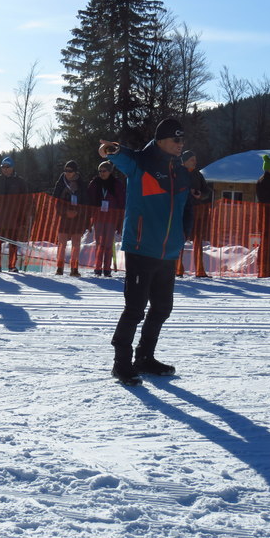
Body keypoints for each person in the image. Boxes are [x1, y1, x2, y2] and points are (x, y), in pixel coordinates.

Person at [99, 118, 193, 386]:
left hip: (168, 252)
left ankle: (144, 357)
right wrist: (111, 149)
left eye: (182, 139)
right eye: (176, 139)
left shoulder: (180, 171)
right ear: (161, 140)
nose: (180, 144)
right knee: (135, 309)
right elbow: (119, 155)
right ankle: (121, 363)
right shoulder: (141, 162)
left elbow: (187, 208)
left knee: (162, 307)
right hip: (141, 248)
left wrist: (183, 234)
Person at [0, 156, 30, 273]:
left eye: (7, 167)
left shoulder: (19, 181)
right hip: (0, 216)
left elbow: (25, 201)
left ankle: (12, 265)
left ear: (12, 167)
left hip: (14, 216)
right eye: (3, 167)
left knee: (13, 242)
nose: (5, 169)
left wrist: (23, 216)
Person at [175, 151, 212, 278]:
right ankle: (177, 269)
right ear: (184, 161)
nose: (195, 162)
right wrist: (186, 191)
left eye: (195, 159)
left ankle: (200, 270)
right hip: (182, 211)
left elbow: (207, 191)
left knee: (198, 240)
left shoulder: (198, 174)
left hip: (197, 210)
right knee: (180, 239)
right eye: (192, 159)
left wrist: (200, 195)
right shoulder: (178, 172)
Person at [87, 161, 125, 277]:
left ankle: (107, 268)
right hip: (98, 216)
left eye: (104, 171)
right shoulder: (95, 183)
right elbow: (89, 199)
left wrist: (120, 220)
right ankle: (98, 267)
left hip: (111, 217)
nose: (102, 173)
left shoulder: (116, 184)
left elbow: (121, 202)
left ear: (110, 171)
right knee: (99, 243)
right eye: (100, 171)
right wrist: (89, 217)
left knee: (108, 244)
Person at [52, 160, 88, 277]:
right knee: (62, 243)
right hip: (64, 217)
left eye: (70, 171)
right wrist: (65, 212)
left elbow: (85, 202)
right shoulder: (60, 182)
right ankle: (59, 268)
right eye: (66, 170)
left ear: (75, 171)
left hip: (77, 218)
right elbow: (55, 201)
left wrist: (77, 212)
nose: (67, 172)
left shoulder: (81, 183)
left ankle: (74, 269)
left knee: (76, 244)